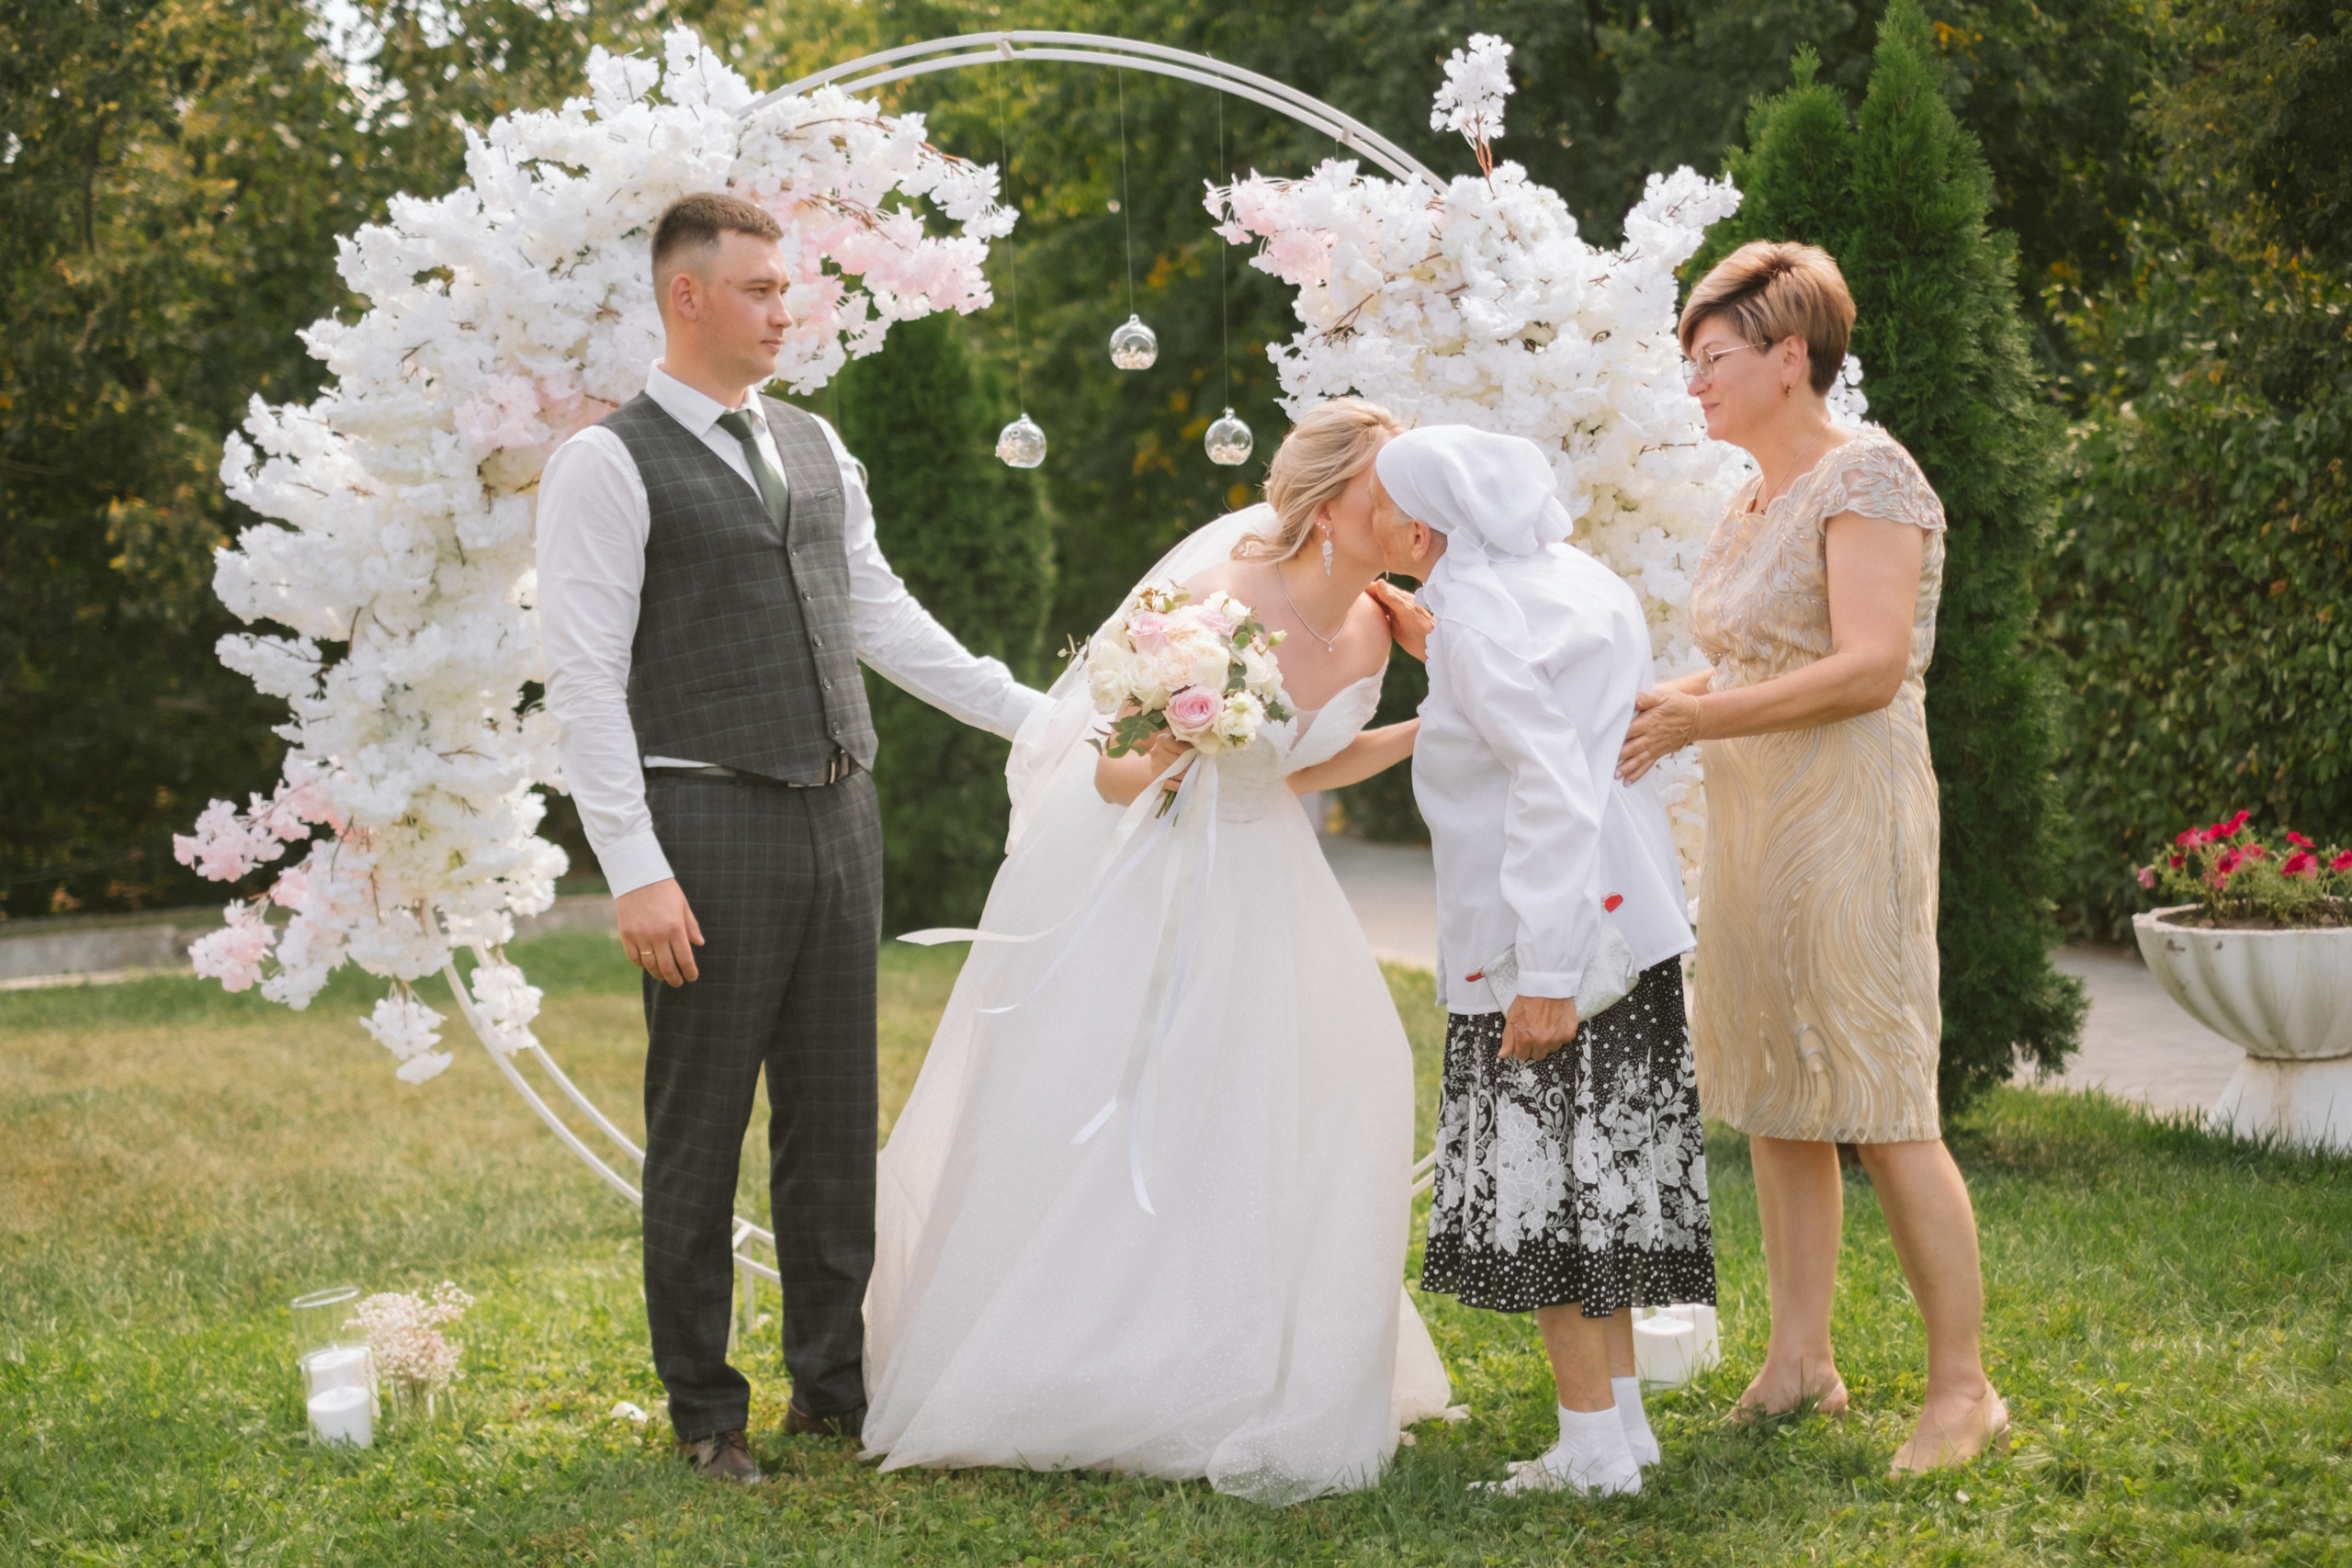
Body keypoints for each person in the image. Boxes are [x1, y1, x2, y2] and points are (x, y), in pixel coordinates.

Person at [536, 192, 1053, 1484]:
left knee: (834, 1121)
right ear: (687, 296)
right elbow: (585, 681)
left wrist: (1041, 718)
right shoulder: (606, 461)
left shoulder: (817, 445)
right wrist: (637, 867)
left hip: (842, 814)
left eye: (788, 286)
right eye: (761, 288)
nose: (786, 307)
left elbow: (880, 614)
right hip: (703, 819)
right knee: (699, 1128)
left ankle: (834, 1383)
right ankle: (708, 1412)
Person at [860, 398, 1454, 1505]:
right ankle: (1079, 1361)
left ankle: (1252, 1355)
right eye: (1395, 486)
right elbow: (1108, 772)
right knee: (1137, 1101)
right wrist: (1184, 740)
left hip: (1272, 876)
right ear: (1331, 503)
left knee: (1309, 1090)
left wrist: (1436, 722)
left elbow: (1301, 767)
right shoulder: (1219, 599)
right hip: (1159, 876)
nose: (1418, 508)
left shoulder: (1383, 620)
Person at [1616, 240, 2007, 1473]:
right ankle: (1800, 1362)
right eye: (1690, 362)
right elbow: (1746, 658)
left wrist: (1696, 717)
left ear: (1792, 357)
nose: (1696, 383)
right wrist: (1627, 704)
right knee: (1780, 1095)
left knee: (1884, 1100)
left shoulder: (1870, 478)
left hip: (1849, 821)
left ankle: (1964, 1391)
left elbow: (1867, 664)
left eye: (1714, 358)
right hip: (1753, 823)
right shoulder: (1750, 499)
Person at [1364, 425, 1714, 1498]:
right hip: (1628, 911)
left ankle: (1591, 1449)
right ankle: (1621, 1431)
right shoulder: (1577, 581)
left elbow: (1546, 790)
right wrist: (1445, 649)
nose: (1374, 520)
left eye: (1384, 504)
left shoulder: (1474, 621)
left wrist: (1546, 975)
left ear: (1421, 522)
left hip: (1550, 935)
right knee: (1602, 1182)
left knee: (1550, 1192)